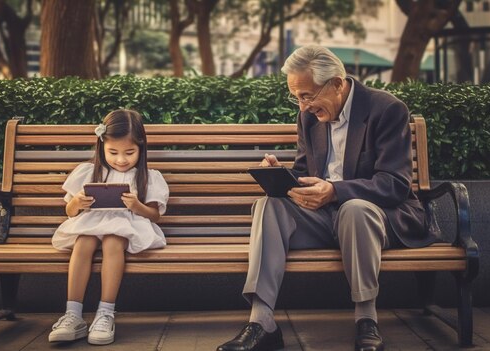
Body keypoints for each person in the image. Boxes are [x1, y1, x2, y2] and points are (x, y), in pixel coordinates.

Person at [217, 45, 434, 351]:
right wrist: (284, 176)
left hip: (374, 219)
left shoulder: (387, 109)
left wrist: (335, 190)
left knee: (354, 209)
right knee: (268, 206)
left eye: (306, 95)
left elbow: (394, 184)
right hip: (322, 217)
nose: (302, 106)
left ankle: (366, 319)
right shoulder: (307, 118)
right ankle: (261, 321)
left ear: (336, 82)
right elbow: (307, 170)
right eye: (296, 97)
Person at [48, 109, 169, 345]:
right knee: (83, 242)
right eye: (113, 152)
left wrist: (137, 206)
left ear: (141, 149)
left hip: (127, 224)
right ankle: (73, 314)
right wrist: (77, 202)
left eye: (129, 152)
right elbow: (69, 212)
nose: (121, 159)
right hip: (91, 222)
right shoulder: (90, 172)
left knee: (114, 241)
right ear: (101, 146)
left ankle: (105, 313)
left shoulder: (148, 177)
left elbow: (154, 215)